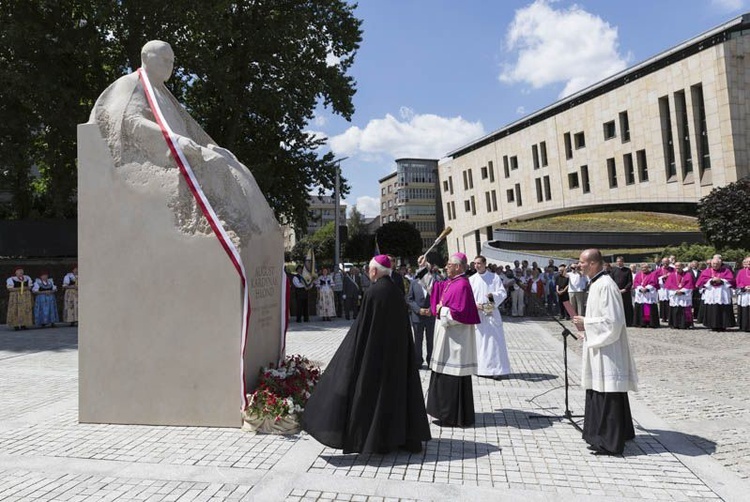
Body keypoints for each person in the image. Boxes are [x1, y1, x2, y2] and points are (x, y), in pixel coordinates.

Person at [302, 255, 431, 453]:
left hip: (375, 355)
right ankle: (399, 437)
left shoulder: (373, 292)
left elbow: (364, 327)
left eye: (370, 269)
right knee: (396, 395)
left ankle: (376, 440)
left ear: (374, 271)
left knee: (375, 397)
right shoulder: (397, 291)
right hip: (397, 357)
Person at [573, 249, 637, 456]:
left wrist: (586, 322)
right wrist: (588, 329)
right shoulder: (597, 283)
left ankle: (609, 441)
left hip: (608, 350)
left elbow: (613, 322)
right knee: (602, 390)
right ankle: (606, 435)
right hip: (600, 346)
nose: (578, 265)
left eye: (582, 262)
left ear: (593, 263)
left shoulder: (606, 285)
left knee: (608, 392)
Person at [427, 252, 481, 427]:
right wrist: (425, 269)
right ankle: (447, 414)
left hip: (456, 341)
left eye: (449, 265)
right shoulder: (452, 282)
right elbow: (435, 288)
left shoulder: (462, 285)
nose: (446, 267)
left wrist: (442, 310)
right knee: (445, 376)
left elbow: (460, 314)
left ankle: (451, 416)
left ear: (458, 266)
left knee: (453, 377)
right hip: (448, 339)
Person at [469, 256, 511, 380]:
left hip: (491, 314)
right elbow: (469, 297)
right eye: (475, 264)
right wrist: (476, 306)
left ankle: (496, 370)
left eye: (479, 263)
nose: (476, 266)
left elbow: (502, 293)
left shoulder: (494, 277)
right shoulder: (471, 279)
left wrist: (491, 297)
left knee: (494, 343)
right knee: (480, 342)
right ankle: (481, 369)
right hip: (478, 314)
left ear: (484, 264)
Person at [408, 259, 436, 368]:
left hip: (430, 316)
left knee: (430, 340)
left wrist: (431, 309)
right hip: (417, 317)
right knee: (418, 340)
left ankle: (431, 361)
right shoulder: (414, 283)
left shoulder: (435, 282)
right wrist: (419, 310)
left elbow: (438, 298)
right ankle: (418, 361)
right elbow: (410, 299)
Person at [696, 257, 736, 331]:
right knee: (712, 308)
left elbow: (731, 280)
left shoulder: (726, 271)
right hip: (711, 292)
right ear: (711, 264)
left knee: (723, 309)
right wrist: (711, 280)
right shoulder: (706, 271)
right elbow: (702, 281)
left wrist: (721, 280)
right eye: (714, 263)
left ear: (720, 264)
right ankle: (711, 325)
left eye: (717, 264)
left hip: (722, 293)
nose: (715, 265)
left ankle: (723, 325)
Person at [664, 262, 694, 329]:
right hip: (675, 295)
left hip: (684, 296)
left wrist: (682, 291)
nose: (677, 267)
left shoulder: (688, 275)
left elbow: (690, 284)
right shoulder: (671, 275)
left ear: (682, 266)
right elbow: (669, 285)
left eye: (679, 266)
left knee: (685, 310)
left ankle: (686, 324)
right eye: (676, 266)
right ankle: (675, 324)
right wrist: (675, 291)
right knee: (675, 310)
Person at [632, 264, 659, 328]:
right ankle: (641, 323)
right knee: (640, 307)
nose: (643, 269)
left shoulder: (652, 274)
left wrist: (646, 288)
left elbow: (654, 283)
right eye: (642, 267)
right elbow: (635, 282)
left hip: (649, 294)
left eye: (645, 267)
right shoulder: (638, 274)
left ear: (648, 268)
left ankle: (650, 323)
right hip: (641, 294)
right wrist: (640, 288)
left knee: (649, 308)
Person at [610, 257, 634, 327]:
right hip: (616, 292)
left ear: (623, 262)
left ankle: (628, 322)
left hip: (625, 292)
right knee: (616, 307)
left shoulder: (627, 270)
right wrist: (615, 289)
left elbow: (630, 282)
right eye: (617, 261)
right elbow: (611, 281)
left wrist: (625, 289)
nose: (619, 263)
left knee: (626, 307)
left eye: (620, 261)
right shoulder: (613, 270)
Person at [736, 256, 750, 332]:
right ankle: (745, 326)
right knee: (745, 310)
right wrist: (744, 287)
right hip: (745, 293)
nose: (749, 263)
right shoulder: (741, 272)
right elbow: (738, 282)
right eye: (747, 262)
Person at [656, 258, 673, 323]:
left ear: (669, 262)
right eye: (664, 262)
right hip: (662, 288)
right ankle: (663, 317)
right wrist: (663, 276)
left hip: (670, 287)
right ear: (662, 262)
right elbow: (655, 278)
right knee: (663, 302)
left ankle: (670, 316)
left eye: (667, 262)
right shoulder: (659, 270)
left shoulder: (672, 269)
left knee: (670, 301)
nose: (665, 264)